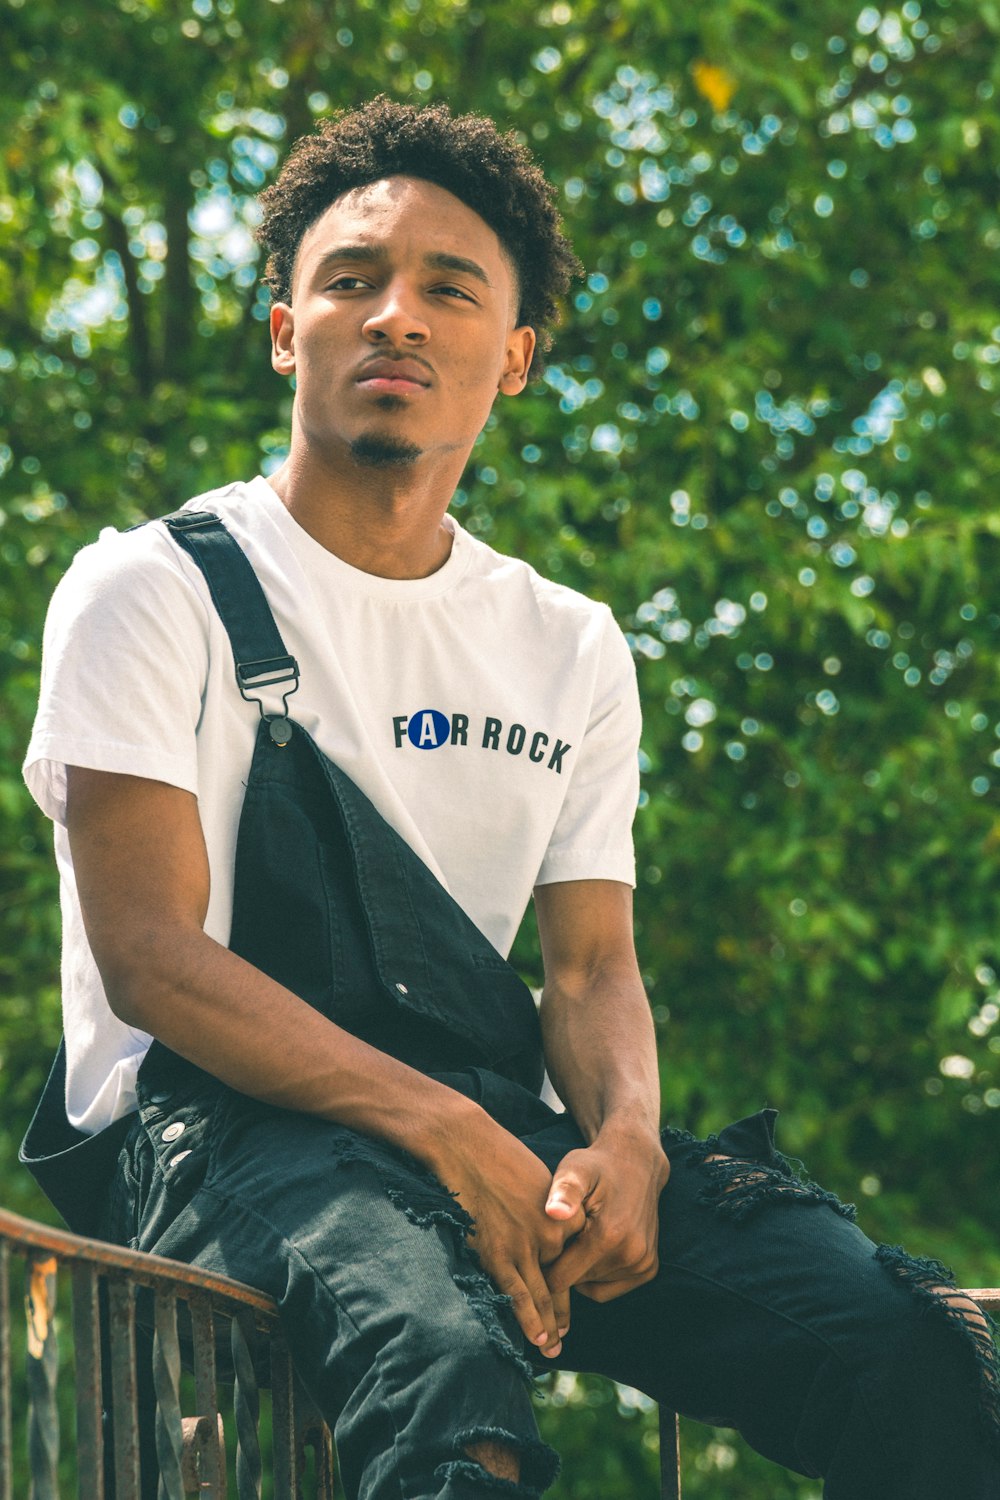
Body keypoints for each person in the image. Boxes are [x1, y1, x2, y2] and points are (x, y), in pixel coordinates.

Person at [21, 96, 1000, 1499]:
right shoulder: (151, 587)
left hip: (487, 1127)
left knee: (894, 1342)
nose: (396, 317)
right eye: (350, 281)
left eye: (448, 289)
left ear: (516, 357)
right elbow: (153, 960)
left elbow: (593, 964)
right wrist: (446, 1132)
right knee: (440, 1367)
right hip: (211, 1133)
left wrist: (626, 1146)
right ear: (288, 332)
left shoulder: (570, 643)